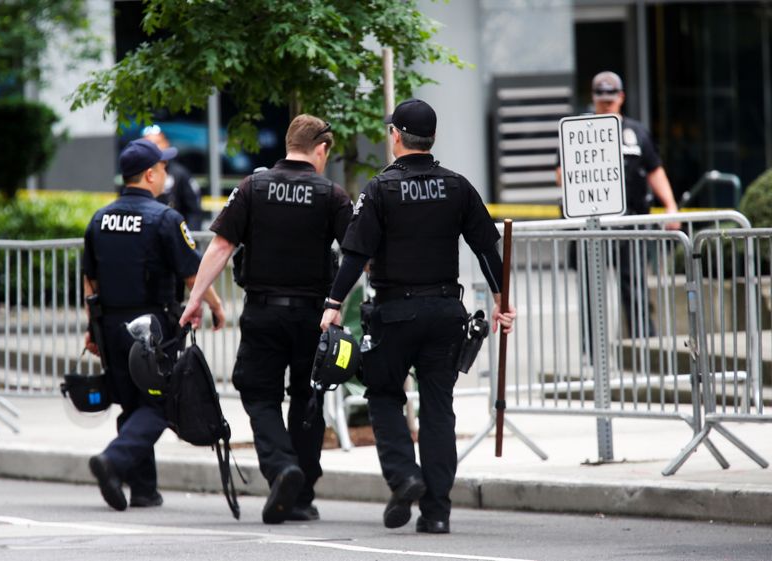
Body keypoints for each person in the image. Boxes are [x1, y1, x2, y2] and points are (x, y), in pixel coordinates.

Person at [319, 99, 516, 534]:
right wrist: (501, 299)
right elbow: (488, 249)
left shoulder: (380, 189)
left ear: (396, 136)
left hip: (395, 313)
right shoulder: (457, 186)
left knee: (385, 394)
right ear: (431, 138)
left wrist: (333, 306)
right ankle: (437, 511)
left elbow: (355, 255)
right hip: (446, 311)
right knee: (438, 408)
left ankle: (405, 476)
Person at [179, 114, 352, 524]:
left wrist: (195, 299)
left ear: (289, 144)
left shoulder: (252, 187)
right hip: (315, 317)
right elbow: (356, 257)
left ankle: (281, 468)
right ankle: (302, 494)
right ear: (321, 148)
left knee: (259, 395)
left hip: (263, 313)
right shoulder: (332, 195)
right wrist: (338, 302)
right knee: (309, 400)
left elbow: (221, 247)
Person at [83, 138, 226, 511]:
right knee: (163, 402)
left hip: (110, 325)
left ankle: (143, 490)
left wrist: (91, 328)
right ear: (150, 174)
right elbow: (194, 276)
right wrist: (216, 306)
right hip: (152, 328)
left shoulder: (100, 219)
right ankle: (113, 461)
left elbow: (90, 282)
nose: (166, 174)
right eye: (162, 168)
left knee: (132, 404)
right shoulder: (165, 218)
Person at [556, 71, 680, 337]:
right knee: (591, 293)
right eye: (601, 96)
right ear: (593, 97)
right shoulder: (579, 132)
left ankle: (644, 348)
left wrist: (670, 205)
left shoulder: (636, 132)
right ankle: (592, 357)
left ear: (621, 97)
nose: (606, 101)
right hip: (590, 226)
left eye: (611, 96)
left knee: (635, 287)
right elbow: (560, 175)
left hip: (630, 223)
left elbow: (655, 170)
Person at [143, 124, 204, 230]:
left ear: (166, 143)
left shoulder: (180, 174)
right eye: (149, 144)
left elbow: (194, 211)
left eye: (157, 142)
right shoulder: (138, 175)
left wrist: (187, 239)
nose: (155, 147)